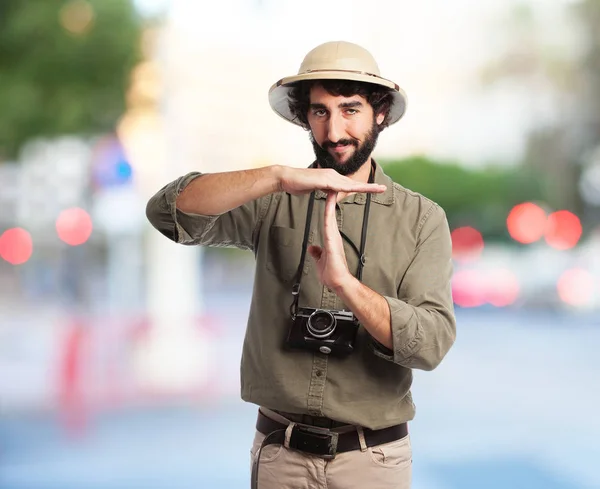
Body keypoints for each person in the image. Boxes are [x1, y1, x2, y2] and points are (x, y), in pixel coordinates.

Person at [145, 40, 456, 489]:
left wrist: (346, 285)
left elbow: (431, 342)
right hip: (280, 456)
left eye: (350, 109)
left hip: (373, 462)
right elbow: (166, 212)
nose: (333, 131)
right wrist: (274, 176)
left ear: (380, 113)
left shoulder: (422, 219)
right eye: (319, 112)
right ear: (304, 116)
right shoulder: (273, 199)